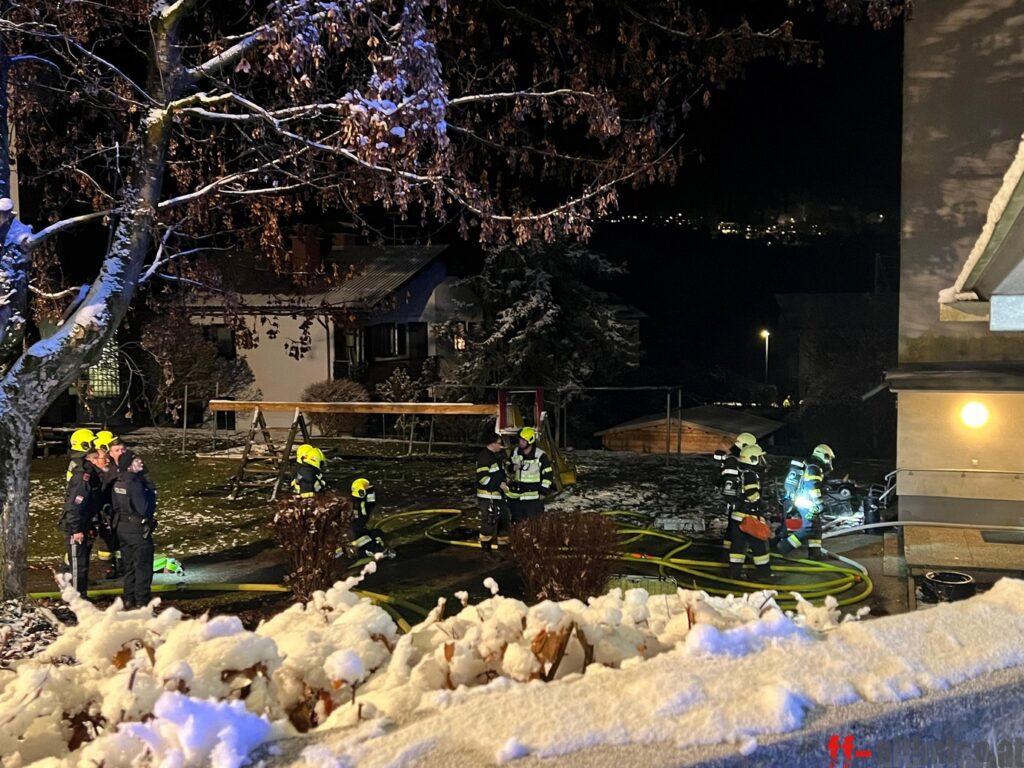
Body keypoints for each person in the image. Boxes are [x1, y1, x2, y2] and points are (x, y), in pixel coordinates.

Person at [112, 454, 157, 609]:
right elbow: (144, 508)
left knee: (129, 565)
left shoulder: (118, 482)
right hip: (137, 529)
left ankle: (128, 597)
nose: (141, 462)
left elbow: (115, 505)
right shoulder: (136, 483)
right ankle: (142, 600)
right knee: (143, 566)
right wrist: (150, 490)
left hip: (122, 527)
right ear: (129, 465)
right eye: (136, 460)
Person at [777, 444, 835, 561]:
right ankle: (784, 546)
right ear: (824, 456)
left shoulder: (812, 466)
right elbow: (812, 486)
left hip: (805, 502)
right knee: (808, 527)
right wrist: (819, 503)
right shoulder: (814, 468)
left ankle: (815, 554)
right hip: (807, 503)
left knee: (816, 528)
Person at [59, 445, 102, 596]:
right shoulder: (83, 478)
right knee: (78, 564)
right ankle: (78, 597)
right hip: (75, 526)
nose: (107, 461)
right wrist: (76, 529)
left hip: (84, 523)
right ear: (94, 460)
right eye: (104, 458)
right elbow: (75, 506)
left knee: (82, 563)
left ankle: (80, 592)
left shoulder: (92, 474)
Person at [727, 444, 772, 581]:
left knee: (738, 547)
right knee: (759, 547)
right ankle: (764, 573)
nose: (762, 461)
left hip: (737, 517)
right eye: (760, 458)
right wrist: (762, 504)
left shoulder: (741, 473)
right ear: (752, 459)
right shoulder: (751, 474)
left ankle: (735, 573)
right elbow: (751, 493)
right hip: (749, 518)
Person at [714, 432, 758, 553]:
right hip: (736, 499)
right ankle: (732, 550)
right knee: (735, 525)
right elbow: (731, 481)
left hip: (736, 498)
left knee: (733, 525)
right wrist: (732, 500)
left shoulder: (735, 458)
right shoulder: (733, 460)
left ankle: (728, 549)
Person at [506, 426, 554, 523]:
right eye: (520, 439)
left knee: (534, 524)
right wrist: (512, 468)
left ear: (530, 440)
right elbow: (507, 466)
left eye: (523, 440)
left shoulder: (540, 455)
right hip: (516, 497)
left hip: (533, 498)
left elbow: (548, 475)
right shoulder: (515, 452)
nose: (521, 442)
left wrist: (543, 492)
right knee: (517, 524)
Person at [93, 431, 121, 578]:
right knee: (105, 541)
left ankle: (118, 566)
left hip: (113, 509)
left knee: (116, 539)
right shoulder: (97, 471)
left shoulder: (111, 467)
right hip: (103, 512)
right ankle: (108, 569)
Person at [476, 435, 510, 551]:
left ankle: (504, 547)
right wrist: (499, 484)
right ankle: (486, 548)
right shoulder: (484, 457)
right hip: (488, 497)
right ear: (492, 443)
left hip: (497, 496)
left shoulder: (494, 456)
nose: (501, 446)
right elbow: (483, 479)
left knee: (504, 520)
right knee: (489, 523)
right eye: (499, 443)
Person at [348, 478, 390, 558]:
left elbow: (371, 503)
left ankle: (359, 549)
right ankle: (357, 551)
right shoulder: (358, 505)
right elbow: (370, 504)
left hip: (360, 526)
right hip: (359, 529)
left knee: (376, 534)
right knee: (372, 538)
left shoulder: (355, 501)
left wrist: (370, 491)